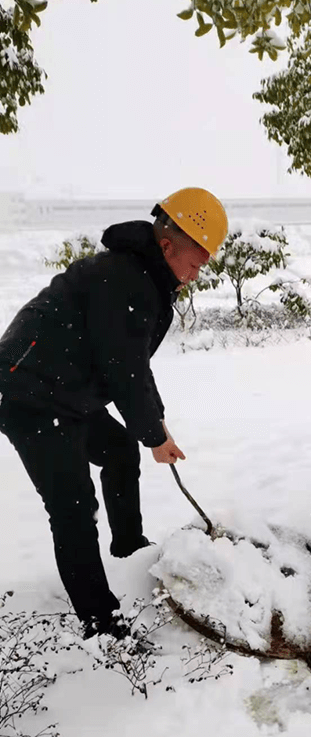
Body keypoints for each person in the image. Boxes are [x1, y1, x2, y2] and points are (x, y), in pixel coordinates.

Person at [0, 187, 228, 640]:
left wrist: (153, 423)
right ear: (167, 246)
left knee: (120, 450)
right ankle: (101, 624)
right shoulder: (124, 278)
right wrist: (155, 434)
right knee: (72, 507)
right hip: (28, 394)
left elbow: (132, 363)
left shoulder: (143, 276)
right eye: (196, 263)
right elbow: (123, 366)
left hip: (69, 394)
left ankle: (128, 550)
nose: (197, 274)